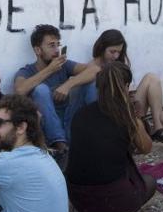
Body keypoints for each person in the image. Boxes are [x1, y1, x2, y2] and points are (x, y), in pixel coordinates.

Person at [65, 61, 158, 212]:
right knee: (150, 181)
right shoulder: (127, 118)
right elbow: (146, 148)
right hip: (113, 202)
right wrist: (137, 119)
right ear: (127, 86)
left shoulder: (80, 114)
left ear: (98, 86)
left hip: (78, 199)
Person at [12, 24, 100, 153]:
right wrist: (49, 70)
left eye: (58, 45)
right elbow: (19, 90)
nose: (57, 50)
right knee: (41, 90)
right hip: (47, 130)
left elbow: (95, 69)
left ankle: (100, 132)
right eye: (51, 45)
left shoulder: (64, 65)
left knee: (90, 83)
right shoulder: (26, 71)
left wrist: (68, 85)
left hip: (70, 121)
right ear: (38, 50)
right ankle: (59, 145)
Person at [87, 29, 163, 143]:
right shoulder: (92, 69)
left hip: (127, 107)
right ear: (102, 48)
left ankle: (158, 128)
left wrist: (130, 98)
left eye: (119, 52)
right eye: (112, 51)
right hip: (113, 114)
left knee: (152, 78)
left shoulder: (118, 64)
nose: (116, 56)